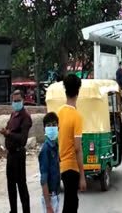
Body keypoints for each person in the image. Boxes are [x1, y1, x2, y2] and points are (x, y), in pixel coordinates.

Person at [0, 90, 32, 213]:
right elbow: (9, 129)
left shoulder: (26, 117)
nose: (16, 103)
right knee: (11, 185)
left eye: (18, 101)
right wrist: (5, 132)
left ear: (23, 100)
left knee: (21, 185)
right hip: (11, 154)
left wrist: (9, 134)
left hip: (19, 154)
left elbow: (23, 139)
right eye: (14, 101)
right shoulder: (13, 115)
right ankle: (13, 210)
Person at [58, 75, 86, 213]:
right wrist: (82, 176)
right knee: (71, 204)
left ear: (65, 90)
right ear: (78, 91)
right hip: (72, 167)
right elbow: (77, 148)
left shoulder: (60, 113)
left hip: (62, 166)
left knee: (69, 202)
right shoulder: (77, 117)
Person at [39, 112, 61, 213]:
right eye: (48, 126)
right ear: (44, 129)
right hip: (50, 197)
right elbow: (44, 178)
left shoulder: (55, 146)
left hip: (55, 194)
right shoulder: (46, 150)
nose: (51, 128)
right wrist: (48, 205)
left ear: (58, 128)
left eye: (54, 125)